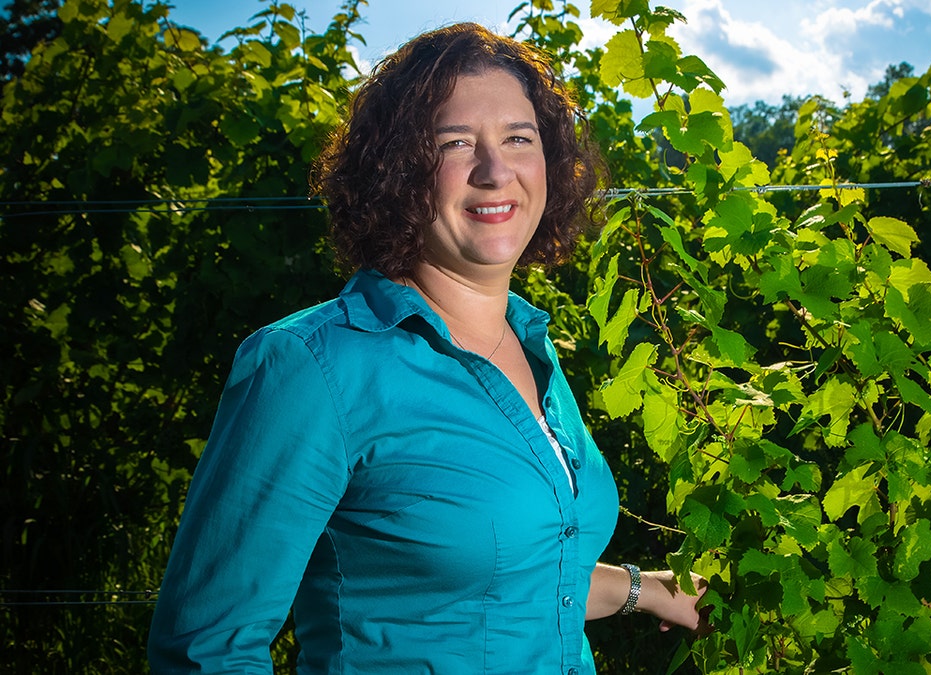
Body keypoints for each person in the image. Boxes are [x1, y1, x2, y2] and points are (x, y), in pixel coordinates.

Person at [148, 22, 705, 674]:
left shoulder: (531, 347)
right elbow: (205, 649)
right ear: (397, 170)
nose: (496, 171)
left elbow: (516, 577)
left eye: (519, 139)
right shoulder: (312, 367)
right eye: (456, 142)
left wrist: (651, 590)